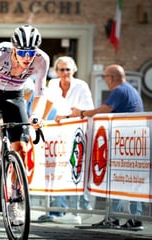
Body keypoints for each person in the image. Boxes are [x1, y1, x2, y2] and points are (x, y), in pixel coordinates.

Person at [0, 25, 51, 224]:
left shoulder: (42, 59)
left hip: (15, 95)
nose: (27, 57)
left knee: (21, 149)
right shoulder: (0, 51)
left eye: (31, 52)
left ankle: (14, 198)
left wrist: (37, 115)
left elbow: (40, 93)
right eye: (22, 52)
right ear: (14, 48)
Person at [72, 64, 144, 230]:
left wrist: (81, 113)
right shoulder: (129, 89)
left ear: (112, 77)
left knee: (118, 180)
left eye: (105, 77)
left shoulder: (119, 91)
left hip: (123, 142)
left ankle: (121, 218)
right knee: (125, 181)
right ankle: (127, 218)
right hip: (130, 141)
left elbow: (104, 110)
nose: (105, 81)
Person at [38, 56, 94, 223]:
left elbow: (87, 110)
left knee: (75, 169)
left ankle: (80, 209)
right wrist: (43, 119)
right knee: (58, 170)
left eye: (67, 69)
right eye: (61, 70)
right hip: (61, 134)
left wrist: (67, 115)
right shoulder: (53, 84)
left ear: (74, 70)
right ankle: (57, 211)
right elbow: (48, 101)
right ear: (56, 71)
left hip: (79, 133)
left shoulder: (81, 86)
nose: (64, 73)